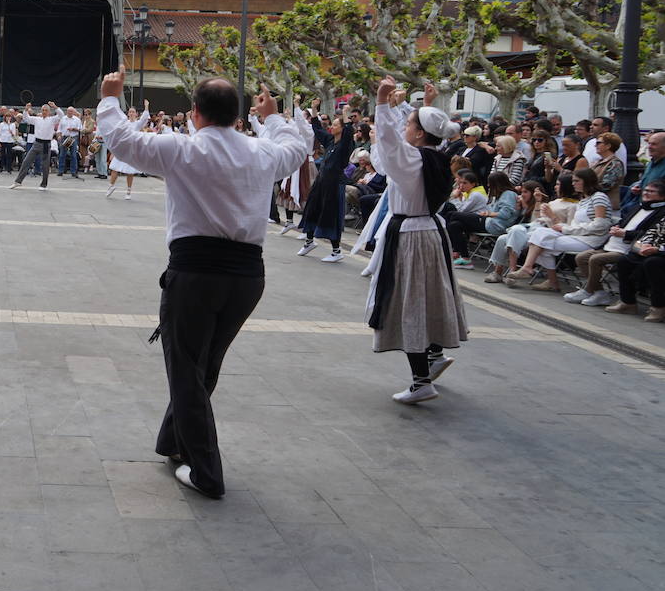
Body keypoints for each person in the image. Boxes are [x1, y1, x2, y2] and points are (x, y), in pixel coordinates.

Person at [97, 68, 308, 498]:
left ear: (194, 113)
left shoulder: (182, 149)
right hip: (247, 276)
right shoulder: (261, 152)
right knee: (202, 364)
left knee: (187, 370)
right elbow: (297, 147)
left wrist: (109, 98)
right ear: (237, 116)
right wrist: (272, 118)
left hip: (196, 273)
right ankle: (175, 441)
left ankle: (206, 471)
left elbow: (121, 141)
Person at [366, 78, 468, 405]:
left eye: (410, 124)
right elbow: (398, 142)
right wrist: (416, 105)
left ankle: (421, 380)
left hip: (412, 236)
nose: (405, 127)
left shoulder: (412, 161)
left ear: (420, 133)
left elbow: (390, 142)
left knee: (411, 303)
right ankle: (434, 356)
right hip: (429, 232)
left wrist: (382, 103)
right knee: (429, 297)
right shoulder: (435, 157)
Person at [503, 167, 612, 291]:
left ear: (587, 181)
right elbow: (575, 224)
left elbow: (600, 225)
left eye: (576, 181)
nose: (573, 184)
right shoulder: (584, 200)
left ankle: (531, 269)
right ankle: (547, 279)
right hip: (578, 235)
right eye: (573, 181)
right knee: (539, 235)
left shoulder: (599, 197)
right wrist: (565, 228)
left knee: (541, 244)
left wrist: (566, 229)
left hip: (591, 239)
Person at [567, 179, 665, 307]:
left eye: (651, 191)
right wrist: (616, 228)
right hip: (611, 244)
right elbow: (623, 222)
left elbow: (648, 234)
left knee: (595, 259)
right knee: (581, 257)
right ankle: (599, 291)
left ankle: (588, 290)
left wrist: (625, 234)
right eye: (645, 190)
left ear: (662, 196)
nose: (646, 193)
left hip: (629, 248)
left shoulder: (661, 212)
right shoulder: (638, 207)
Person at [298, 114, 355, 263]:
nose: (332, 127)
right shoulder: (330, 141)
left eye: (336, 125)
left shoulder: (344, 145)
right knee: (311, 208)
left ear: (342, 129)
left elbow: (349, 134)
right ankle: (309, 242)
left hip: (334, 185)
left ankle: (336, 251)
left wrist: (347, 117)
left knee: (330, 215)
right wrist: (315, 112)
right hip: (321, 182)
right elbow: (317, 129)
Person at [605, 212, 665, 321]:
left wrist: (658, 249)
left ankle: (658, 307)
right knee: (624, 261)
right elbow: (651, 232)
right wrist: (644, 244)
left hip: (660, 253)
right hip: (653, 250)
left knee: (652, 263)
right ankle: (628, 302)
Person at [9, 103, 59, 191]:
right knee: (26, 161)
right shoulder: (37, 119)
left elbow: (61, 115)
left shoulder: (52, 120)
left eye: (46, 110)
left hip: (46, 144)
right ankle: (18, 181)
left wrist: (55, 107)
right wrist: (26, 109)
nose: (44, 112)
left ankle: (44, 184)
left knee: (45, 165)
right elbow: (26, 118)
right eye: (43, 110)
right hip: (36, 143)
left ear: (49, 112)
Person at [106, 103, 149, 200]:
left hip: (131, 150)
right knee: (114, 168)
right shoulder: (124, 123)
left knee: (130, 172)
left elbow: (144, 118)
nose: (131, 113)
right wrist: (113, 151)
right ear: (128, 114)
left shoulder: (138, 124)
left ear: (136, 114)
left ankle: (129, 191)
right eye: (130, 112)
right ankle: (111, 186)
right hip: (122, 149)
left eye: (133, 112)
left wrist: (146, 107)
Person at [591, 132, 625, 214]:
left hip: (608, 208)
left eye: (598, 143)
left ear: (608, 146)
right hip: (594, 204)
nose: (595, 146)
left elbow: (606, 185)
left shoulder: (615, 163)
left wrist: (586, 187)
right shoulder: (597, 162)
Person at [56, 107, 82, 178]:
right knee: (62, 154)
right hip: (64, 137)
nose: (70, 112)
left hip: (73, 138)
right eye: (68, 111)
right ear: (67, 111)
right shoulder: (63, 118)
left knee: (73, 155)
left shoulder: (77, 119)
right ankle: (61, 171)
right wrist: (59, 136)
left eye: (71, 111)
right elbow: (59, 129)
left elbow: (80, 129)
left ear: (73, 112)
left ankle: (73, 172)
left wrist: (73, 129)